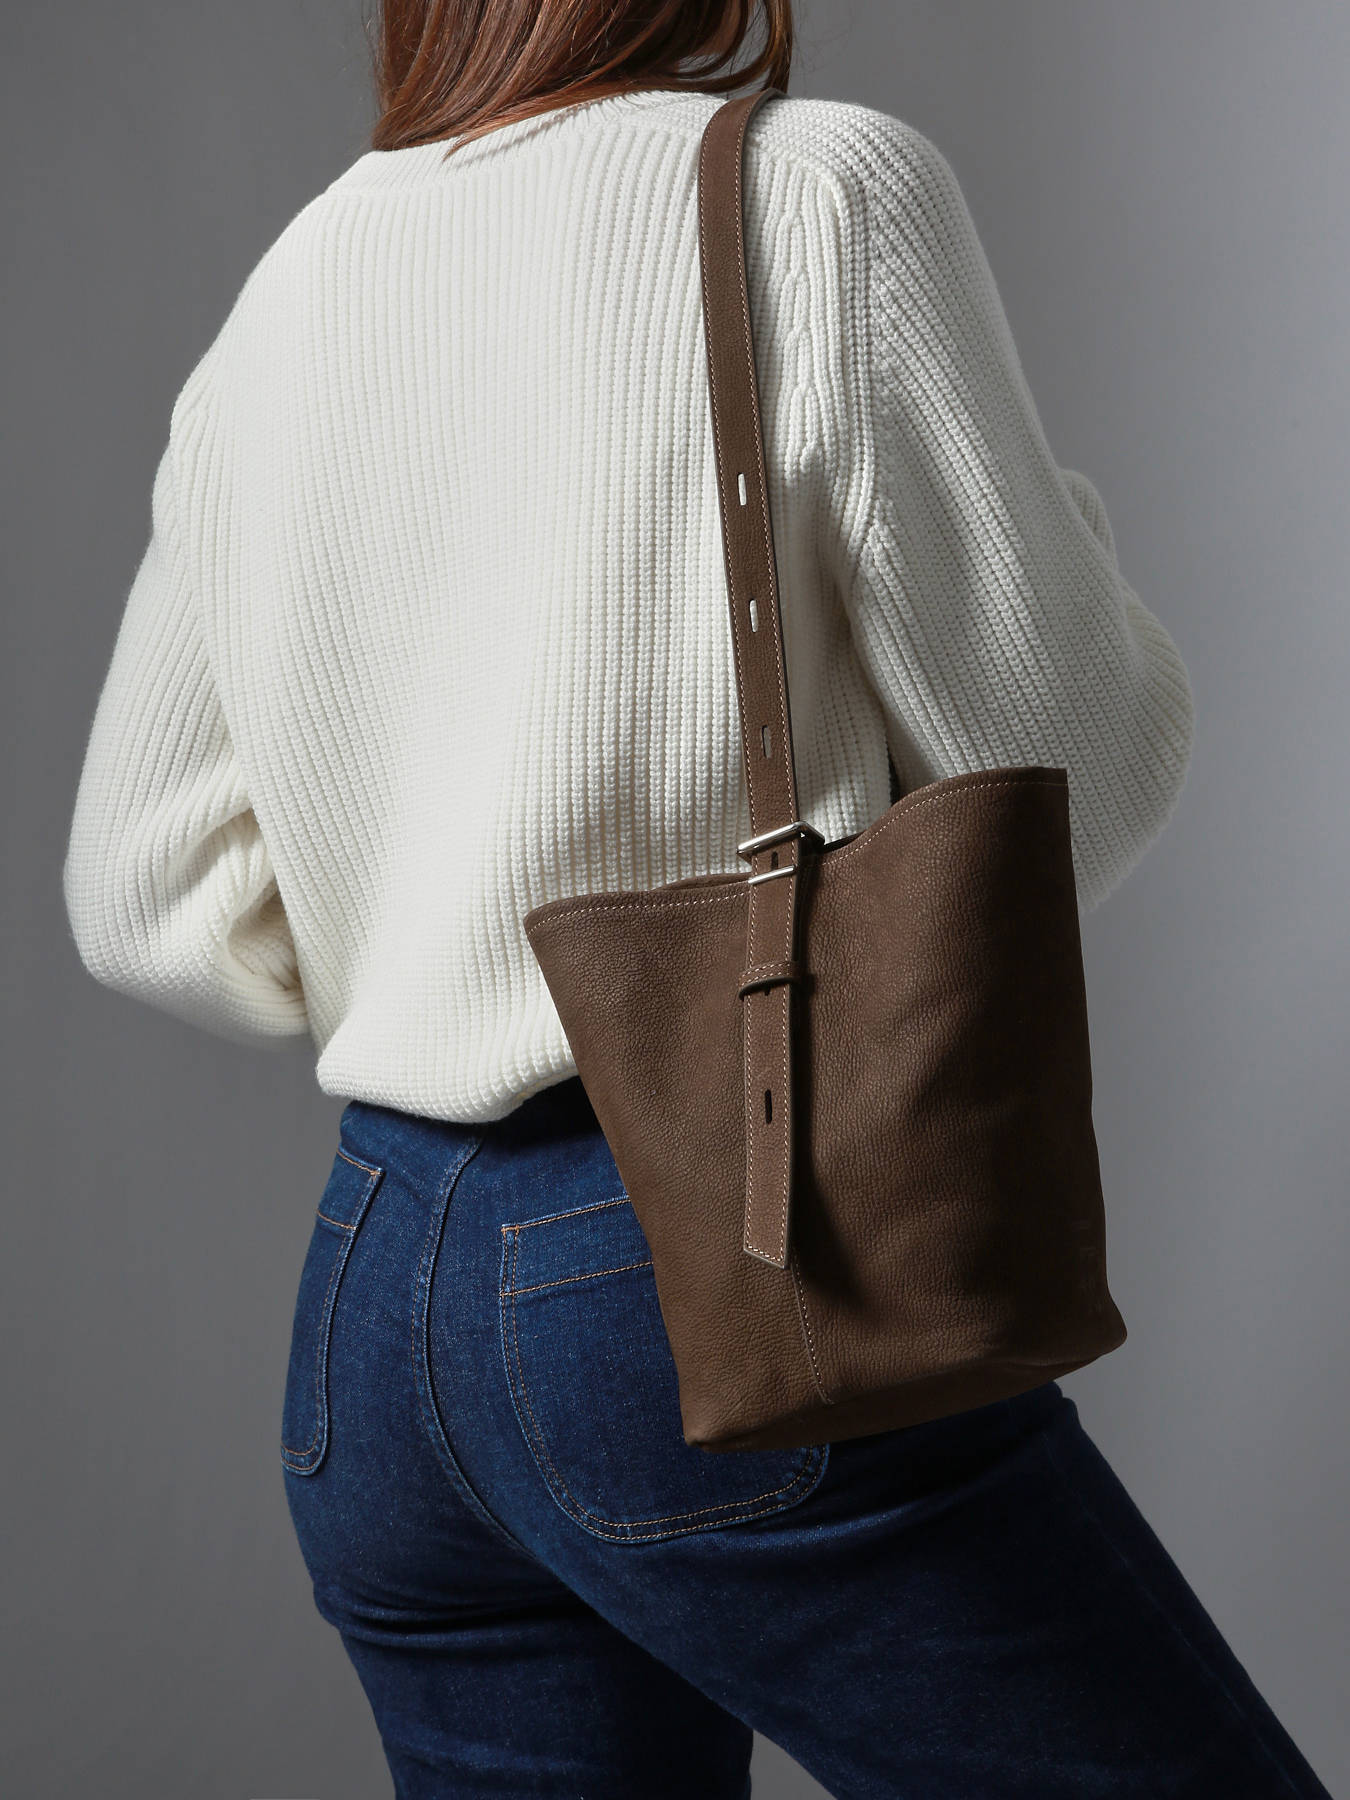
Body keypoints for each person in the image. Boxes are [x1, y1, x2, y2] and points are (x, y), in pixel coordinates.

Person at [59, 3, 1334, 1796]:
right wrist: (1059, 535)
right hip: (713, 1247)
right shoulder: (811, 194)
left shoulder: (297, 277)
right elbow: (1070, 768)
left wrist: (426, 943)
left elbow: (142, 895)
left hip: (374, 1300)